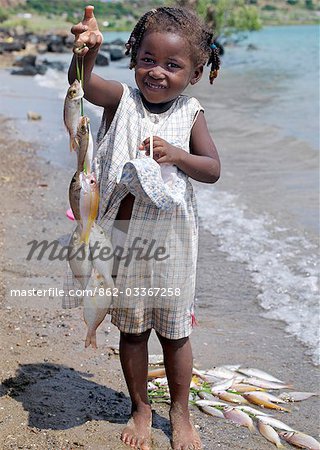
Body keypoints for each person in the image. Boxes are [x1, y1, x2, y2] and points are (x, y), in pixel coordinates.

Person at [68, 5, 221, 450]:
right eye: (147, 59)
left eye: (173, 65)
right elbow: (83, 87)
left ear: (193, 73)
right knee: (132, 331)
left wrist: (178, 154)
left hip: (173, 243)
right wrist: (86, 52)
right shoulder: (122, 100)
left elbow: (212, 169)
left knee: (175, 333)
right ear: (133, 57)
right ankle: (140, 407)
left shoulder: (192, 113)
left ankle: (180, 411)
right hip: (121, 244)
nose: (157, 72)